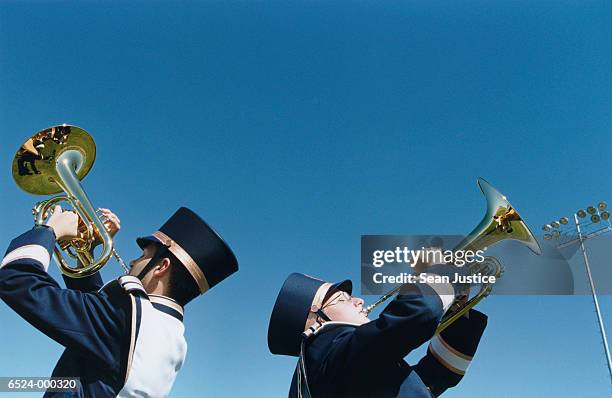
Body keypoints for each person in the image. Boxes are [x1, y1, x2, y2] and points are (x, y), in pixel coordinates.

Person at [0, 206, 238, 397]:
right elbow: (96, 321)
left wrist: (49, 230)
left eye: (143, 256)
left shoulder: (130, 316)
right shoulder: (171, 335)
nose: (133, 262)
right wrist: (86, 249)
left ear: (161, 267)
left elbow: (15, 279)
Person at [267, 265, 487, 398]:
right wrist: (441, 273)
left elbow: (435, 378)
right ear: (316, 317)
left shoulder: (340, 364)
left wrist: (459, 311)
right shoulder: (325, 348)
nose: (358, 301)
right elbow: (418, 314)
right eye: (343, 298)